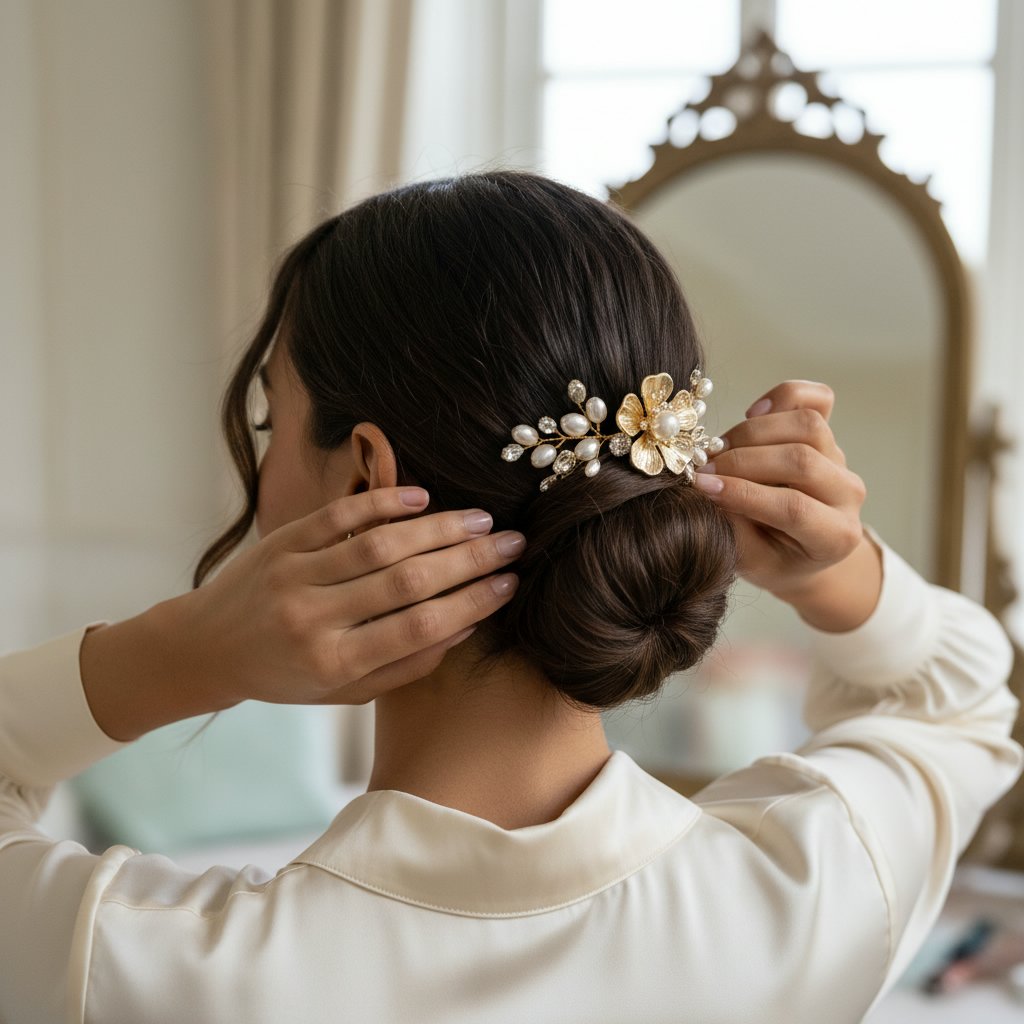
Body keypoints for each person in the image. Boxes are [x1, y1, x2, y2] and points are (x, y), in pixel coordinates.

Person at [0, 170, 1020, 1024]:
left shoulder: (135, 964)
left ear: (364, 478)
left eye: (274, 425)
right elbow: (959, 698)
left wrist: (181, 654)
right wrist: (840, 574)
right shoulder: (812, 893)